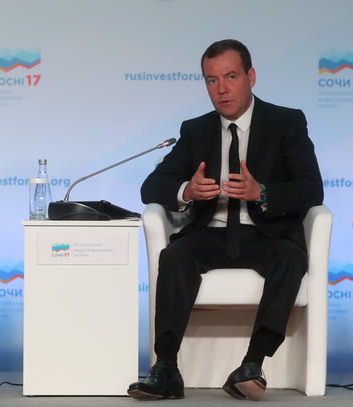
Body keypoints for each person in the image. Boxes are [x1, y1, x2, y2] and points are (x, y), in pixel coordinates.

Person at [128, 39, 323, 401]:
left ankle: (252, 364)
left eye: (231, 77)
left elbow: (311, 190)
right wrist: (187, 190)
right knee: (174, 256)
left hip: (267, 235)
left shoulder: (286, 122)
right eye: (211, 80)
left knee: (291, 258)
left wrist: (262, 192)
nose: (221, 89)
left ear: (251, 77)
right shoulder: (196, 130)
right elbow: (151, 187)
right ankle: (166, 368)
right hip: (211, 234)